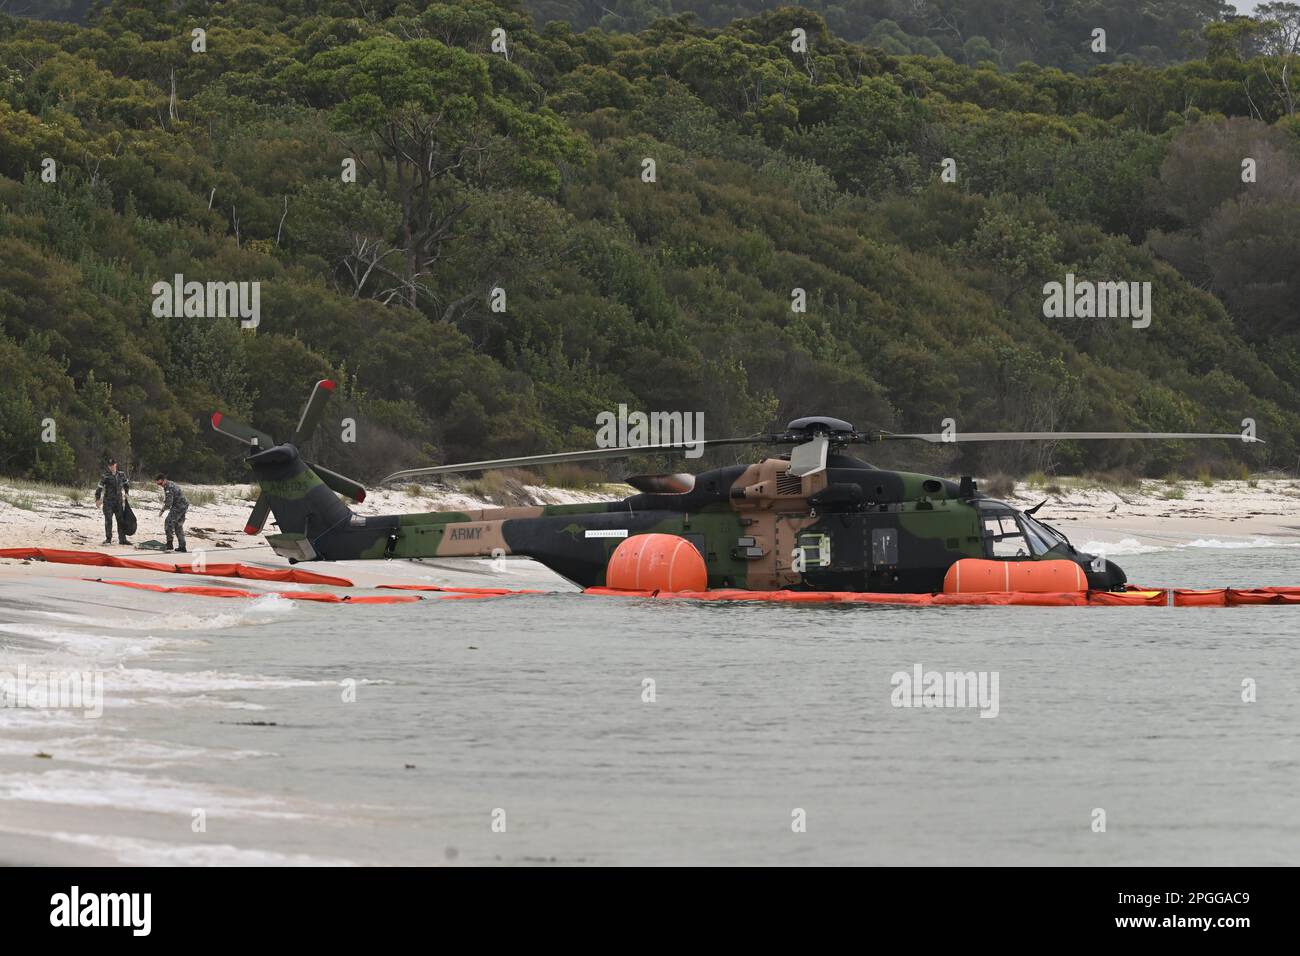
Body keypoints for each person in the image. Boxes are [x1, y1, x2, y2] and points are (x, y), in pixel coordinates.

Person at [95, 459, 131, 545]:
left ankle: (122, 540)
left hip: (118, 502)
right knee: (108, 520)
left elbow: (126, 485)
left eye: (113, 465)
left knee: (120, 521)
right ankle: (108, 539)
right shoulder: (105, 476)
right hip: (108, 503)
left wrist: (126, 493)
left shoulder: (121, 475)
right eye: (110, 465)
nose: (112, 467)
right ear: (108, 466)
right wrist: (97, 499)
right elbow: (99, 488)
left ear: (116, 465)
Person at [155, 473, 189, 553]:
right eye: (158, 484)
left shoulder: (168, 487)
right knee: (178, 525)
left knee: (168, 523)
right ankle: (182, 546)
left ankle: (169, 545)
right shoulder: (170, 483)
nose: (160, 485)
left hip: (178, 506)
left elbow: (169, 503)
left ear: (164, 480)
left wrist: (162, 511)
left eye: (160, 483)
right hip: (183, 505)